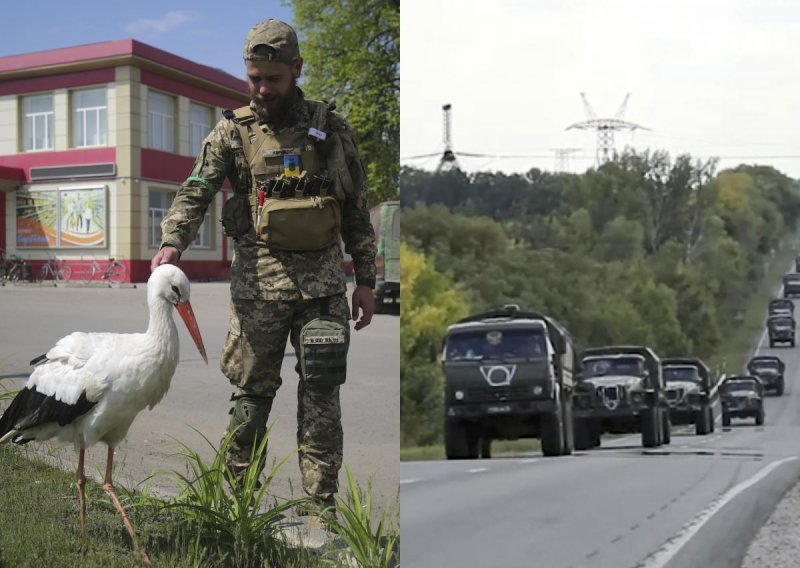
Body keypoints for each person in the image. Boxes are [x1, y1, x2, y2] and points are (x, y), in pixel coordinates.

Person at [150, 18, 377, 522]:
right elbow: (197, 190)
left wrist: (366, 281)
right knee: (251, 399)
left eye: (272, 79)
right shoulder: (234, 130)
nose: (261, 89)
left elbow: (357, 208)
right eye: (254, 78)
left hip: (322, 291)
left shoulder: (330, 127)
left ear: (296, 68)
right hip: (257, 293)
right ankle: (237, 509)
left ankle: (321, 510)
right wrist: (172, 243)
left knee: (321, 400)